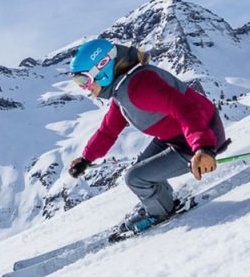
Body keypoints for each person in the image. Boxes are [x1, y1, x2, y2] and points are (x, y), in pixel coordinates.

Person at [65, 38, 227, 232]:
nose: (84, 87)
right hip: (178, 138)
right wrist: (86, 158)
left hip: (199, 137)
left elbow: (186, 108)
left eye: (84, 80)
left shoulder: (140, 87)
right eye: (78, 82)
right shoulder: (123, 90)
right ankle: (162, 201)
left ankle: (162, 212)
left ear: (102, 68)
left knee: (136, 178)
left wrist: (203, 147)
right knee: (141, 167)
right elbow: (108, 130)